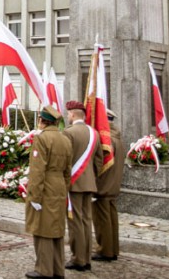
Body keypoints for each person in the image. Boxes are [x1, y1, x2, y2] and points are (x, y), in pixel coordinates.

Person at [24, 106, 73, 279]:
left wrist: (34, 196)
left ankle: (44, 269)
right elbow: (68, 170)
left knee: (43, 228)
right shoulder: (65, 139)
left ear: (42, 120)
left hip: (46, 185)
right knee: (57, 229)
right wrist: (64, 187)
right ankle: (58, 268)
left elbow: (38, 171)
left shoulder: (42, 139)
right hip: (59, 184)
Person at [63, 100, 101, 272]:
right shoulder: (94, 133)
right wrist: (91, 176)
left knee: (75, 222)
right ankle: (86, 258)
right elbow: (99, 160)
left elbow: (64, 159)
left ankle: (78, 258)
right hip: (89, 182)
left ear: (72, 114)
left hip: (73, 183)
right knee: (86, 221)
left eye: (68, 114)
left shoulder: (68, 132)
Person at [92, 109, 124, 262]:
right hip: (113, 184)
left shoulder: (107, 140)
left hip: (103, 185)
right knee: (111, 219)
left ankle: (105, 250)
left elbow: (100, 163)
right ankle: (113, 248)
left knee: (102, 220)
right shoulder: (117, 137)